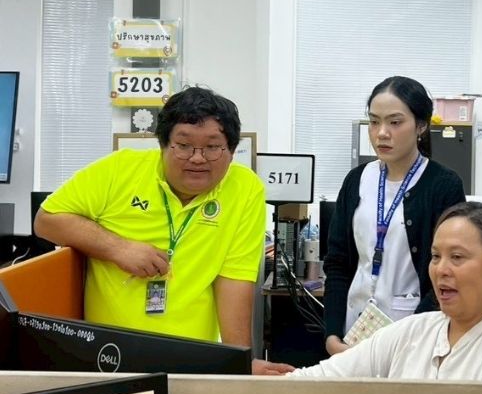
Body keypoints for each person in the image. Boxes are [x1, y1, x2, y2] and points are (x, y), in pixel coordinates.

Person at [34, 86, 291, 376]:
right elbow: (46, 220)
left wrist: (240, 364)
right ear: (163, 144)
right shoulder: (119, 170)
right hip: (109, 357)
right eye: (183, 145)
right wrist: (118, 248)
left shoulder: (245, 189)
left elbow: (234, 282)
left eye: (212, 147)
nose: (197, 158)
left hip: (193, 359)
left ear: (231, 151)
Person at [291, 202, 482, 381]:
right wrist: (277, 380)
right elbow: (322, 378)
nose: (441, 269)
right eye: (435, 256)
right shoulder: (412, 331)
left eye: (457, 257)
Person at [322, 76, 465, 355]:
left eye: (395, 122)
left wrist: (412, 339)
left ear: (421, 126)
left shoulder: (443, 185)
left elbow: (447, 275)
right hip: (354, 332)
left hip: (414, 336)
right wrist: (332, 334)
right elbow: (337, 264)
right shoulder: (357, 180)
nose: (382, 133)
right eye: (374, 122)